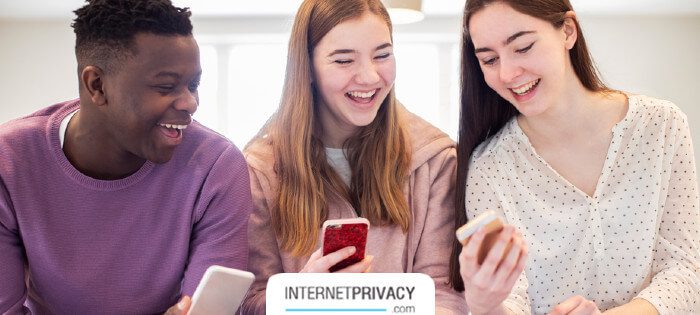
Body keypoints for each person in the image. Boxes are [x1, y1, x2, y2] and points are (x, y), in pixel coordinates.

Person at [0, 0, 252, 313]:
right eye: (166, 86)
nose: (190, 102)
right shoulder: (9, 163)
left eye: (193, 84)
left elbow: (207, 310)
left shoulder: (217, 167)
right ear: (97, 85)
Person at [451, 0, 700, 314]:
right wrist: (487, 303)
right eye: (489, 59)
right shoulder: (489, 167)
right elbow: (512, 299)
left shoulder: (661, 126)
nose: (507, 72)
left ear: (567, 31)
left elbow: (685, 271)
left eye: (523, 47)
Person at [239, 0, 467, 313]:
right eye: (344, 60)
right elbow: (247, 303)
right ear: (306, 68)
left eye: (383, 55)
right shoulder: (260, 170)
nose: (370, 77)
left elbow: (445, 295)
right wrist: (298, 295)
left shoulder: (435, 161)